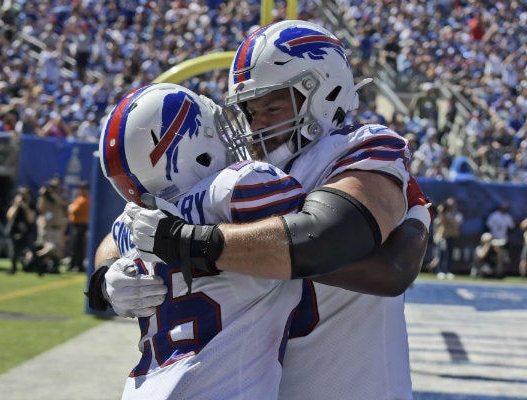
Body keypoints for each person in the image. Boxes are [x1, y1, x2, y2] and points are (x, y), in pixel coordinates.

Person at [119, 20, 431, 399]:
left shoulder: (359, 147)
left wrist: (191, 245)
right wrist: (111, 273)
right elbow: (130, 226)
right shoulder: (238, 176)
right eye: (249, 111)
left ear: (324, 90)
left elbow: (331, 243)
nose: (256, 125)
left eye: (271, 105)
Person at [92, 82, 307, 399]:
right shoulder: (241, 186)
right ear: (192, 148)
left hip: (144, 387)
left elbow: (115, 244)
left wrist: (103, 280)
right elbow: (317, 236)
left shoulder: (129, 224)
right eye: (212, 128)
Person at [33, 176, 68, 275]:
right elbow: (40, 208)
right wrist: (43, 195)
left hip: (58, 228)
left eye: (55, 186)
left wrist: (53, 194)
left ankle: (41, 260)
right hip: (47, 228)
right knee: (50, 248)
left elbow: (62, 203)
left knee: (58, 252)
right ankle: (39, 262)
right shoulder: (45, 197)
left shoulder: (62, 194)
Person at [5, 185, 36, 274]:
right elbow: (10, 216)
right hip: (15, 230)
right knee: (13, 250)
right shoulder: (14, 204)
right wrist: (16, 205)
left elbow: (31, 219)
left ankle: (34, 266)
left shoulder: (31, 205)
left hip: (27, 231)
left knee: (30, 249)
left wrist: (26, 207)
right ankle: (13, 267)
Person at [432, 196, 463, 280]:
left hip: (452, 236)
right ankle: (440, 271)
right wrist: (441, 213)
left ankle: (448, 271)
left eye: (452, 204)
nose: (450, 206)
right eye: (449, 204)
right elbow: (439, 222)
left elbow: (456, 223)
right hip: (443, 236)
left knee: (450, 253)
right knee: (442, 253)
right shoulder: (442, 213)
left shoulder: (457, 214)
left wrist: (446, 216)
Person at [485, 201, 516, 278]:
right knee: (494, 256)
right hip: (494, 239)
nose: (504, 209)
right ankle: (494, 272)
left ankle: (499, 273)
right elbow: (488, 226)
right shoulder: (494, 215)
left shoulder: (507, 217)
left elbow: (512, 227)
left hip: (503, 240)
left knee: (502, 257)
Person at [67, 181, 90, 272]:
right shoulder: (81, 198)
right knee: (77, 246)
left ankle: (75, 265)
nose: (81, 190)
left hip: (80, 226)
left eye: (83, 188)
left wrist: (70, 206)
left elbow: (73, 210)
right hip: (78, 225)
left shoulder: (84, 199)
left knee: (76, 247)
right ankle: (77, 265)